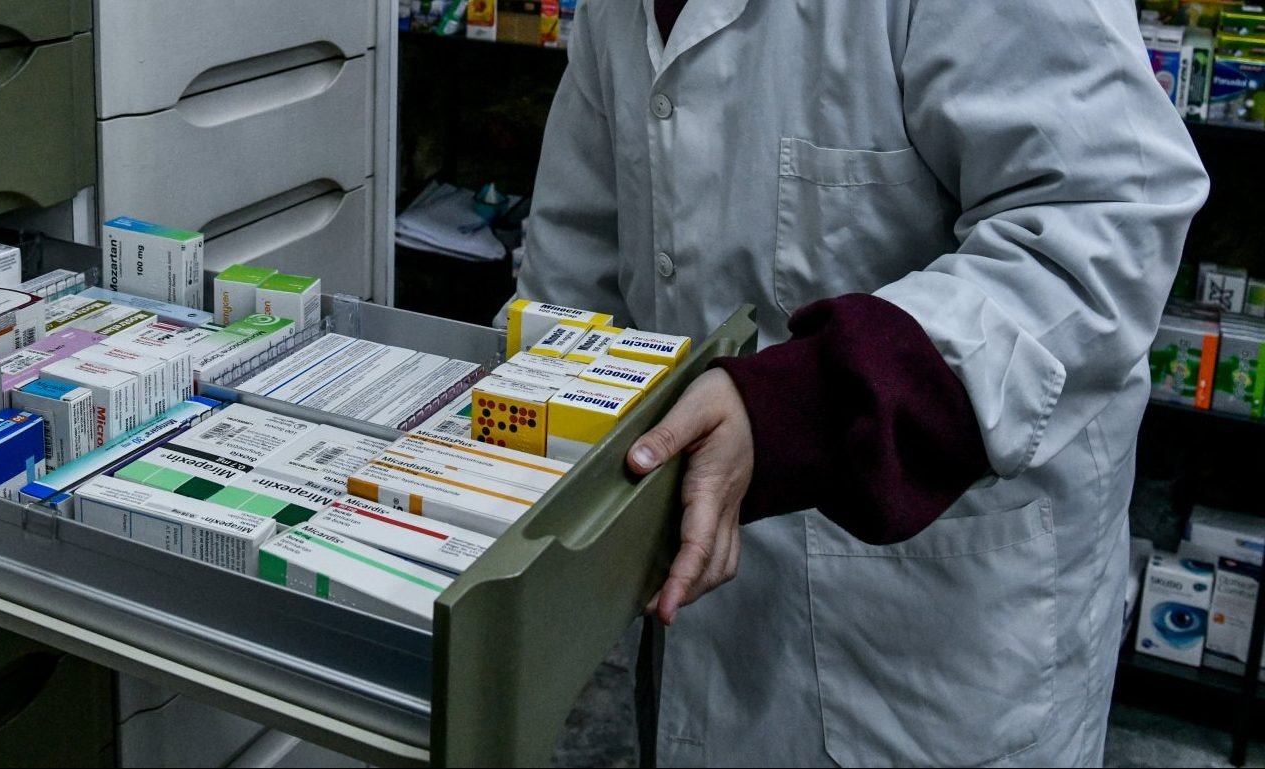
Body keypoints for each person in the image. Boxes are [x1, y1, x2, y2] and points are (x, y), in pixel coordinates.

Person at [514, 0, 1209, 765]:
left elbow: (1103, 226)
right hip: (701, 612)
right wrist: (524, 424)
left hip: (927, 642)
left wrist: (801, 408)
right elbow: (578, 256)